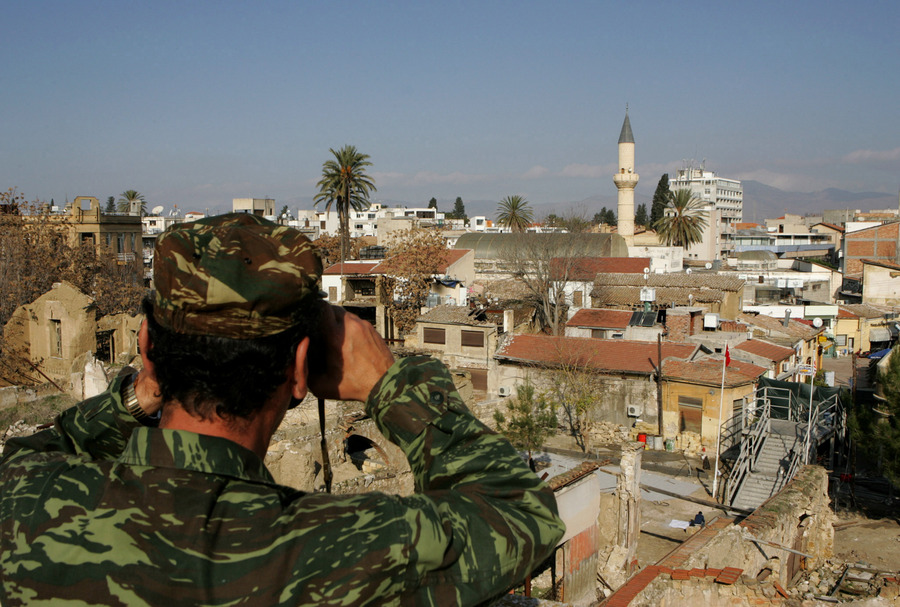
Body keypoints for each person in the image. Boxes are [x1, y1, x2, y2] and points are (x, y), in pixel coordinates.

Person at [0, 214, 565, 606]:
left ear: (146, 344)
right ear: (300, 369)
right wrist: (389, 382)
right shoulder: (329, 552)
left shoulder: (27, 502)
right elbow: (521, 513)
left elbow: (33, 450)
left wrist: (136, 394)